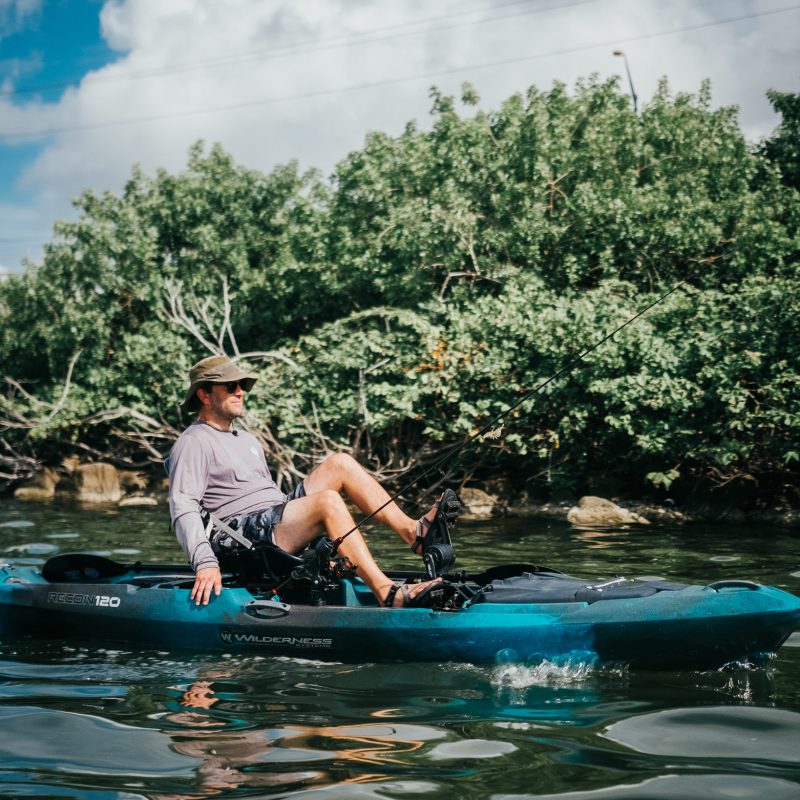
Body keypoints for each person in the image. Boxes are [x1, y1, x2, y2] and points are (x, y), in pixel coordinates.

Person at [168, 355, 458, 608]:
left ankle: (414, 533)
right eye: (231, 386)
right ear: (204, 395)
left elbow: (268, 501)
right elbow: (183, 506)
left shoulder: (246, 439)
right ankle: (387, 592)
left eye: (242, 385)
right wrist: (204, 562)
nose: (240, 392)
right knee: (327, 502)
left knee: (340, 463)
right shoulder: (194, 442)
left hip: (271, 518)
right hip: (241, 538)